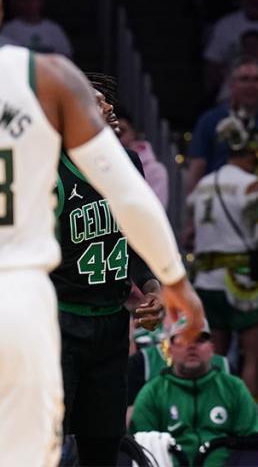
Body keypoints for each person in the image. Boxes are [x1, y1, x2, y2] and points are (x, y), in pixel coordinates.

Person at [0, 0, 204, 467]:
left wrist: (151, 285)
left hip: (69, 307)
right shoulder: (43, 77)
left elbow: (130, 202)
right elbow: (133, 202)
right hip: (34, 300)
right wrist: (176, 280)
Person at [52, 74, 168, 466]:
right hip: (60, 324)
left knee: (102, 447)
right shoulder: (48, 172)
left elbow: (137, 240)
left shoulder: (129, 164)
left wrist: (150, 291)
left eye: (108, 101)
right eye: (97, 101)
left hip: (112, 328)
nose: (109, 107)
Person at [188, 113, 258, 404]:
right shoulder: (250, 185)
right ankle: (250, 422)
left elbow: (190, 233)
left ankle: (212, 415)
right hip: (244, 283)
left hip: (206, 281)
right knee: (254, 359)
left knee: (214, 360)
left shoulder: (204, 185)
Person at [131, 318, 258, 467]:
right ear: (169, 349)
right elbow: (142, 449)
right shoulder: (152, 392)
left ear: (212, 348)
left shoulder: (234, 388)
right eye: (182, 339)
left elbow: (252, 445)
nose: (191, 345)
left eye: (200, 339)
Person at [186, 58, 258, 193]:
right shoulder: (210, 120)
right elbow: (197, 167)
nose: (251, 85)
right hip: (218, 197)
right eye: (245, 79)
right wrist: (192, 206)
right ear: (231, 85)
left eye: (257, 80)